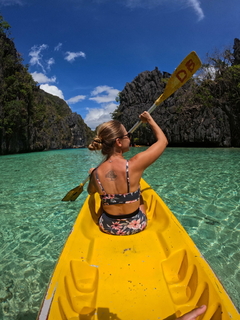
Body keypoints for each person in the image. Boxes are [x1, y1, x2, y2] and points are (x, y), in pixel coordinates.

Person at [87, 111, 168, 235]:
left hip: (108, 227)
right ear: (119, 142)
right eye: (128, 135)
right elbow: (162, 142)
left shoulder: (96, 173)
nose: (129, 138)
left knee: (103, 199)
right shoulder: (134, 165)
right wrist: (149, 119)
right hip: (136, 225)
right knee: (140, 197)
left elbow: (90, 192)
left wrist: (92, 174)